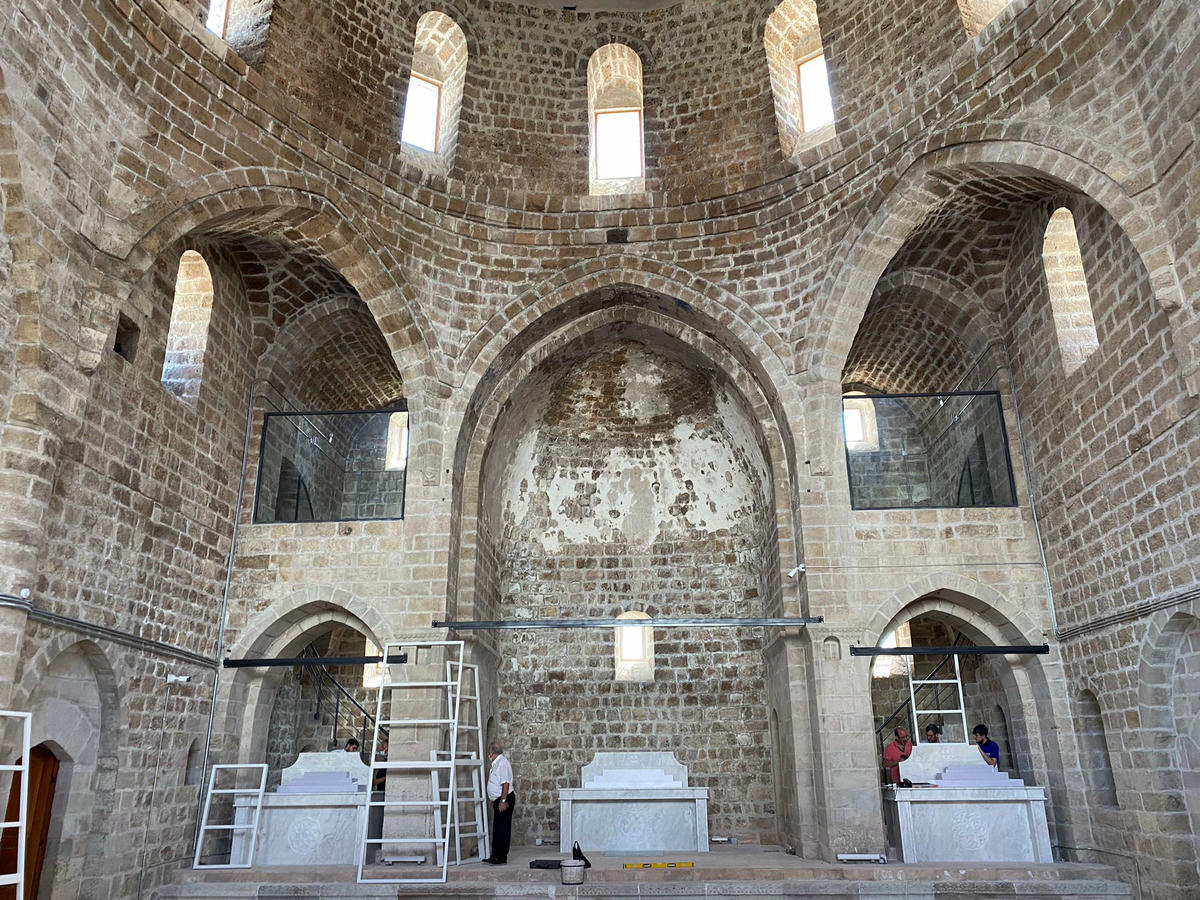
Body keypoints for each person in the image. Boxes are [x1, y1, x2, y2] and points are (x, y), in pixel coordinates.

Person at [484, 740, 515, 865]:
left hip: (504, 799)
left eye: (489, 752)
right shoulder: (497, 763)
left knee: (502, 828)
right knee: (497, 828)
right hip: (499, 799)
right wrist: (494, 800)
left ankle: (501, 857)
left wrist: (502, 801)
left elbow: (505, 783)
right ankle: (495, 855)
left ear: (491, 752)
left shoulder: (502, 763)